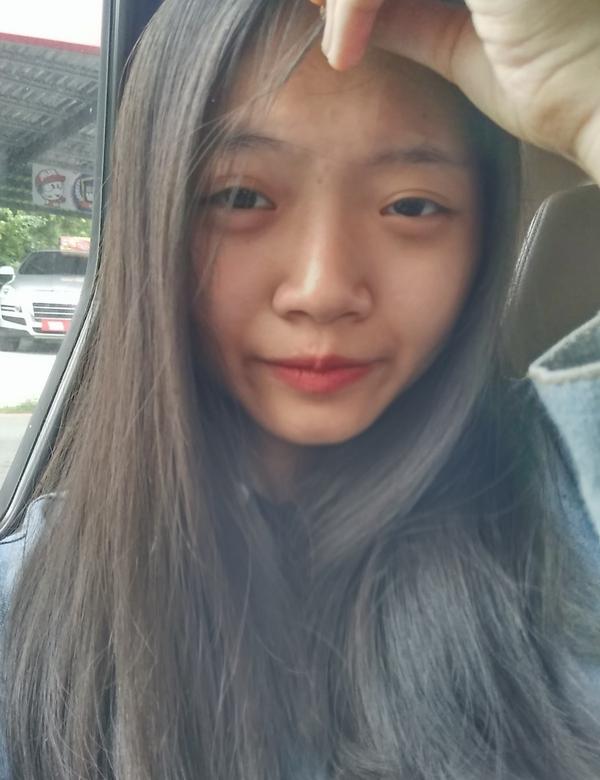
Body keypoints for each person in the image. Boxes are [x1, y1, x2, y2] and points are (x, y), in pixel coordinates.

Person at [1, 0, 599, 777]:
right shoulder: (25, 606)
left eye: (412, 205)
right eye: (241, 197)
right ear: (157, 222)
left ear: (483, 236)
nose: (323, 289)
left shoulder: (568, 533)